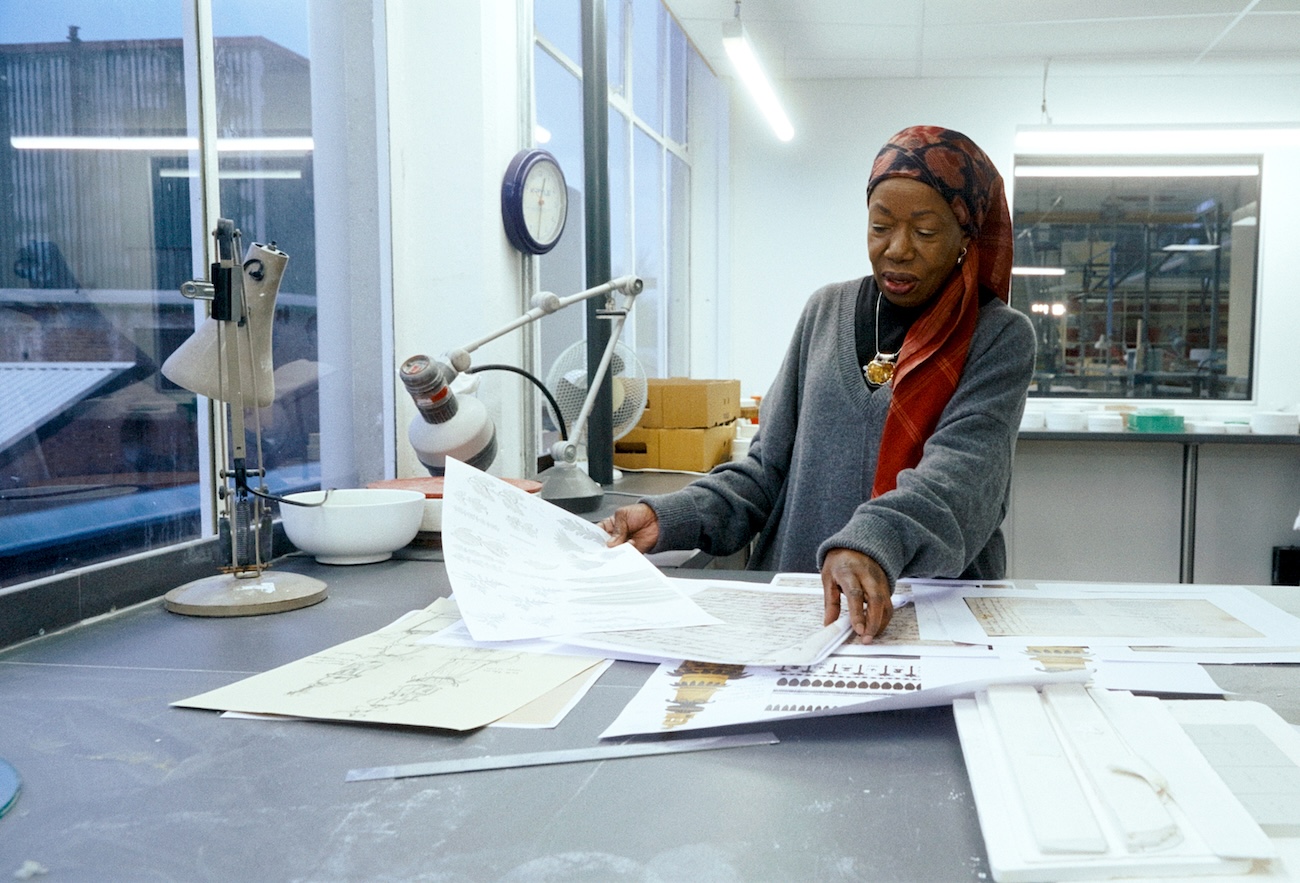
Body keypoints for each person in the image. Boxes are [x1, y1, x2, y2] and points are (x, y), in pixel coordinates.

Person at [601, 125, 1035, 640]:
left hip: (922, 616)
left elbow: (960, 485)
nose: (897, 249)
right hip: (802, 608)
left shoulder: (998, 335)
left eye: (925, 232)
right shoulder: (825, 312)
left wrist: (872, 542)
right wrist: (667, 515)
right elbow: (766, 471)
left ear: (966, 235)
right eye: (880, 226)